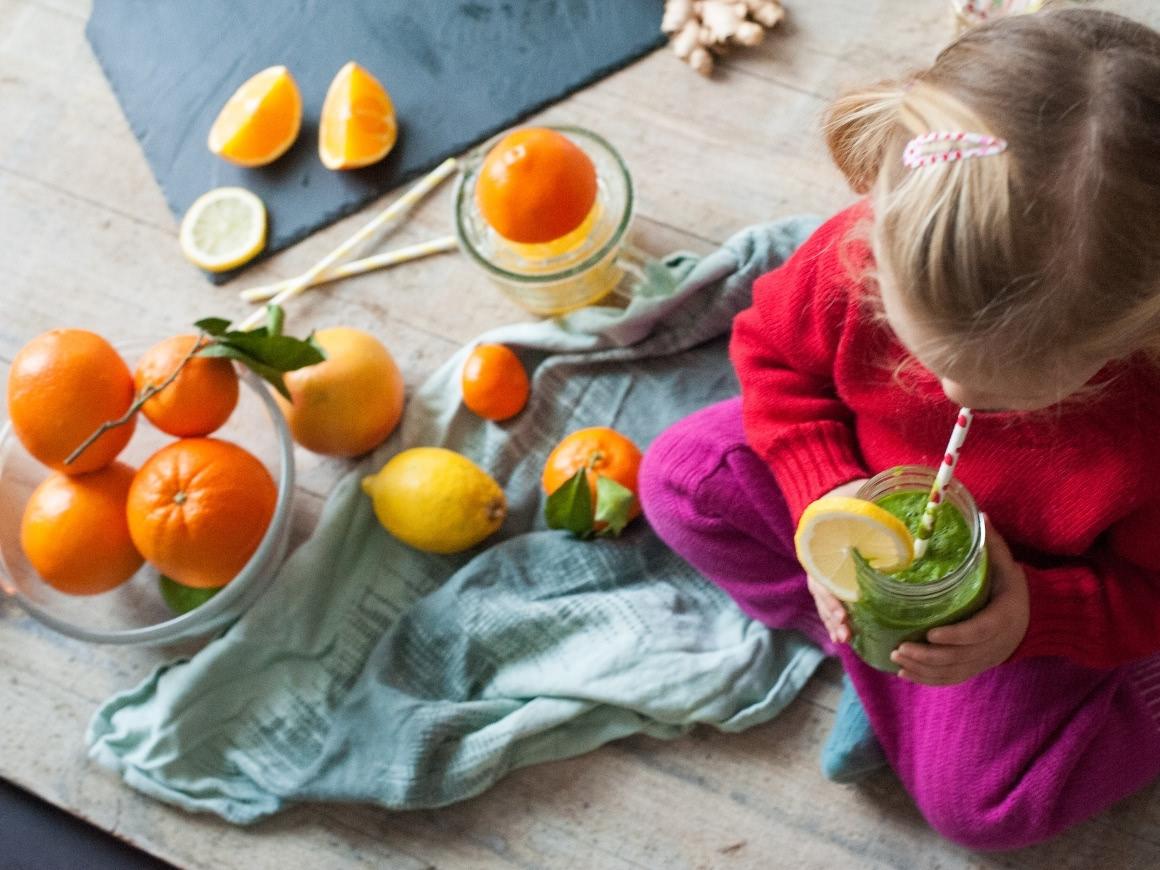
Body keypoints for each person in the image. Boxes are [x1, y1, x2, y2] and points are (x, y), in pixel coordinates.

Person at [638, 8, 1160, 851]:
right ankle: (893, 676)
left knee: (989, 808)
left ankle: (966, 690)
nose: (953, 394)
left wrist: (1031, 617)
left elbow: (1149, 595)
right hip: (870, 501)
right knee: (680, 480)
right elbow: (773, 359)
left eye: (1009, 393)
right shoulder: (859, 259)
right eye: (927, 355)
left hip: (1039, 590)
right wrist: (826, 500)